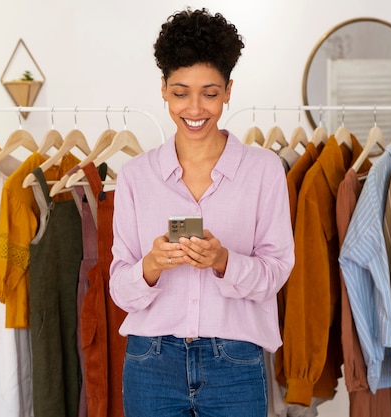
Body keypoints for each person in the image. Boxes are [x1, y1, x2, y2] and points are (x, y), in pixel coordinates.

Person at [109, 8, 295, 417]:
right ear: (162, 90)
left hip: (235, 361)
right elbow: (120, 290)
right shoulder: (136, 176)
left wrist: (224, 261)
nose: (195, 108)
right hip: (150, 362)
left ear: (229, 90)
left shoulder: (263, 171)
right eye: (180, 92)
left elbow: (277, 271)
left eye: (210, 93)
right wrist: (152, 265)